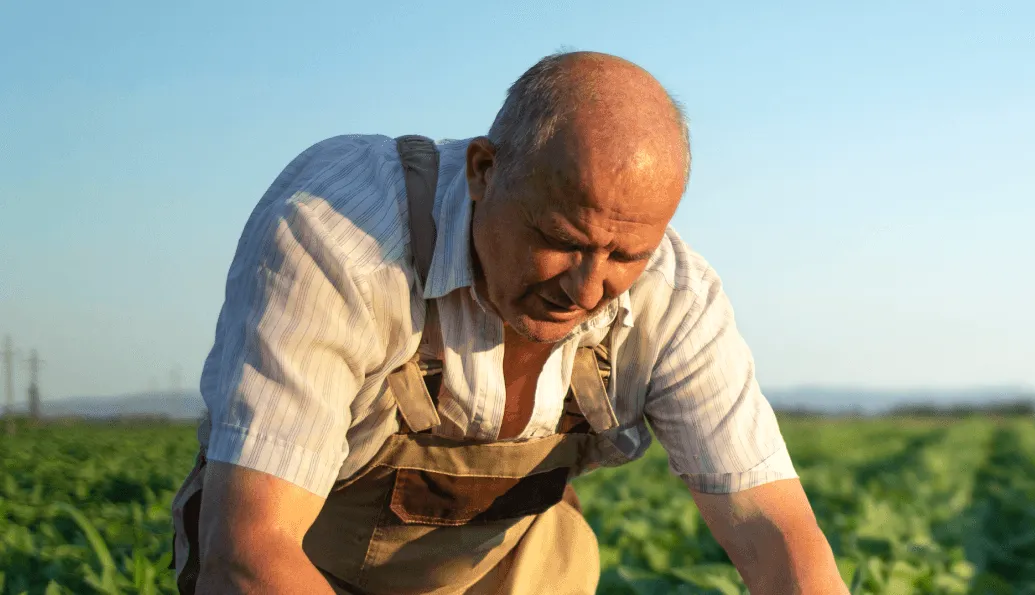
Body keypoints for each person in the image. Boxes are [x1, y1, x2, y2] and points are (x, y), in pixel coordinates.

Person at [168, 50, 848, 594]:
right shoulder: (341, 238)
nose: (586, 289)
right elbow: (249, 553)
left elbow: (776, 538)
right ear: (483, 170)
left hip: (497, 572)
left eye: (625, 256)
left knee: (558, 544)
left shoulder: (675, 299)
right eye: (561, 240)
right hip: (298, 570)